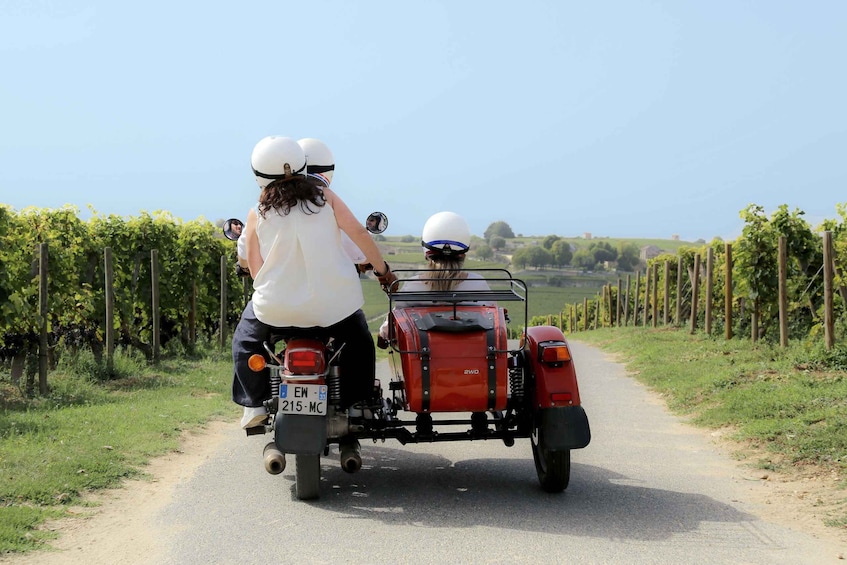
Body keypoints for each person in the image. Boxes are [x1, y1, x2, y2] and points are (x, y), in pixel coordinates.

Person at [232, 135, 395, 429]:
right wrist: (383, 271)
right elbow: (359, 233)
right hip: (333, 310)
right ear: (303, 164)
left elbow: (255, 270)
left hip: (275, 312)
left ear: (258, 175)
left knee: (244, 341)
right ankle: (356, 403)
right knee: (360, 343)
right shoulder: (326, 199)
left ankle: (254, 404)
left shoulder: (257, 212)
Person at [378, 211, 491, 344]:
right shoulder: (478, 284)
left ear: (426, 253)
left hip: (423, 359)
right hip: (475, 357)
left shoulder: (413, 286)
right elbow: (492, 319)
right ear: (463, 253)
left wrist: (383, 333)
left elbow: (393, 325)